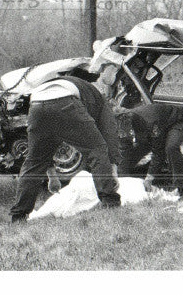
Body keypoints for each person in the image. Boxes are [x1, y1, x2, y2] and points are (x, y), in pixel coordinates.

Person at [10, 74, 121, 222]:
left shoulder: (71, 83)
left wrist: (52, 176)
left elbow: (47, 146)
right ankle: (110, 203)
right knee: (97, 149)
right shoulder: (100, 100)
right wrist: (113, 170)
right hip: (65, 102)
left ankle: (18, 216)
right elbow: (109, 134)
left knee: (34, 160)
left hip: (36, 105)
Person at [120, 102, 183, 192]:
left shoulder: (150, 122)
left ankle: (182, 188)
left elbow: (158, 152)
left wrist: (149, 178)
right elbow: (125, 149)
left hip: (177, 122)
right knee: (137, 150)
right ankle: (131, 178)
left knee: (171, 148)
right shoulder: (122, 124)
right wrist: (121, 176)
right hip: (156, 127)